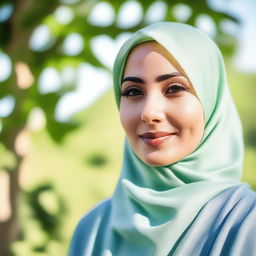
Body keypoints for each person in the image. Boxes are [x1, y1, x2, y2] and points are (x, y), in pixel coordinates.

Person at [68, 22, 256, 256]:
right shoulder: (92, 229)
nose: (149, 113)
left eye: (174, 88)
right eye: (133, 92)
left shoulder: (245, 222)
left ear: (211, 100)